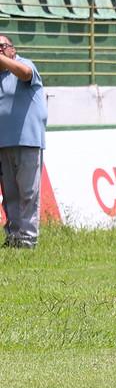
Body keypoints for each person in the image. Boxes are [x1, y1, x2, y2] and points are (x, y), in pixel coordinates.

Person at [0, 35, 48, 249]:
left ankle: (28, 240)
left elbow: (25, 74)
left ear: (12, 50)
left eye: (1, 46)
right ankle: (13, 238)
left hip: (28, 141)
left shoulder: (24, 64)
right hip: (3, 143)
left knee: (28, 193)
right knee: (9, 194)